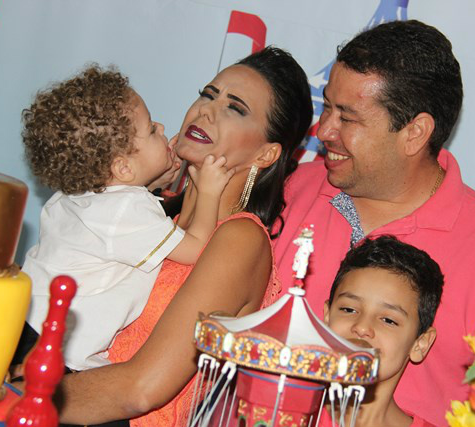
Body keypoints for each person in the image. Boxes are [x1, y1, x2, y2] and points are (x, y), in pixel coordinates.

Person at [273, 20, 475, 426]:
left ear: (415, 133)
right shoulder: (292, 187)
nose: (324, 130)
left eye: (348, 117)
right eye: (327, 106)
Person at [48, 46, 313, 426]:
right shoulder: (148, 213)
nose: (206, 111)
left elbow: (142, 388)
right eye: (208, 94)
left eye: (234, 108)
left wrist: (22, 396)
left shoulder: (240, 239)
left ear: (266, 155)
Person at [20, 65, 234, 371]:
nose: (161, 126)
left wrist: (150, 183)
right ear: (123, 169)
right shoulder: (128, 210)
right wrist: (209, 191)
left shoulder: (73, 197)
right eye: (151, 130)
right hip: (57, 352)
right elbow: (196, 249)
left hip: (24, 322)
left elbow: (116, 219)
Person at [321, 235, 443, 427]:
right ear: (327, 318)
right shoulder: (281, 410)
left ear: (420, 344)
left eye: (388, 320)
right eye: (349, 309)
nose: (362, 327)